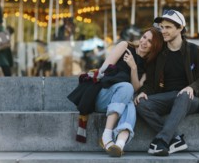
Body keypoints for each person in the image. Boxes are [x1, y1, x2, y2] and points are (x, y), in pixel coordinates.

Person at [69, 27, 163, 157]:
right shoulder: (125, 46)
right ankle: (106, 135)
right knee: (126, 89)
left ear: (155, 47)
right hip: (102, 95)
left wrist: (133, 67)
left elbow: (136, 88)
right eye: (144, 37)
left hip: (120, 101)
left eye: (150, 41)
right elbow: (104, 70)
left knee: (130, 104)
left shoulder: (147, 67)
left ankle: (119, 144)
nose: (144, 42)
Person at [134, 9, 199, 156]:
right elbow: (151, 82)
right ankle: (176, 139)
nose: (163, 31)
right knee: (141, 103)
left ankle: (162, 141)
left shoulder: (196, 51)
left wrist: (192, 87)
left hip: (191, 99)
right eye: (162, 27)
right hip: (167, 97)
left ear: (180, 28)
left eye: (168, 27)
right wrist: (144, 92)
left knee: (183, 95)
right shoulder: (159, 53)